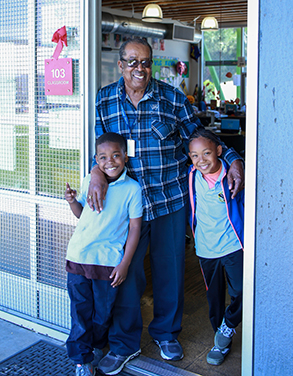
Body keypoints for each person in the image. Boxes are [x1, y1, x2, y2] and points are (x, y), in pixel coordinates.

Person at [87, 37, 245, 375]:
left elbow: (199, 136)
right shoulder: (104, 101)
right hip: (126, 205)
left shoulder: (172, 98)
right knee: (126, 276)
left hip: (169, 200)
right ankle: (124, 343)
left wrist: (231, 158)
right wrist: (94, 172)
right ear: (120, 64)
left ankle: (166, 333)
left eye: (145, 62)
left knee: (170, 272)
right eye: (132, 62)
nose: (139, 68)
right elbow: (99, 146)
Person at [65, 132, 142, 376]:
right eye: (103, 157)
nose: (110, 161)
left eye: (116, 155)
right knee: (80, 311)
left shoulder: (132, 189)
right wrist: (71, 202)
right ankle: (81, 360)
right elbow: (82, 215)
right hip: (78, 257)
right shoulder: (91, 179)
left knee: (103, 312)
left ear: (125, 158)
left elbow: (135, 228)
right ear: (96, 160)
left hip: (108, 262)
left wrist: (125, 263)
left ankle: (97, 346)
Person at [187, 127, 244, 366]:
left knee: (242, 291)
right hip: (206, 248)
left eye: (207, 153)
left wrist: (236, 161)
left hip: (233, 245)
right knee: (214, 297)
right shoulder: (190, 174)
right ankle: (220, 339)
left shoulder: (233, 176)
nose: (201, 160)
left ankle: (228, 327)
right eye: (195, 155)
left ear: (219, 151)